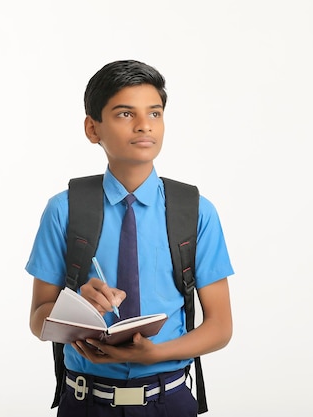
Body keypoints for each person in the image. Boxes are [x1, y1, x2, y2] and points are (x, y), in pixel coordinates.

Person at [26, 60, 234, 416]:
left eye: (154, 113)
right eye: (125, 114)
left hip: (168, 400)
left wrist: (157, 353)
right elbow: (38, 319)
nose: (143, 125)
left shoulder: (195, 211)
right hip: (85, 402)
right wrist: (78, 303)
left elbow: (220, 326)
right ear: (93, 128)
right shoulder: (65, 210)